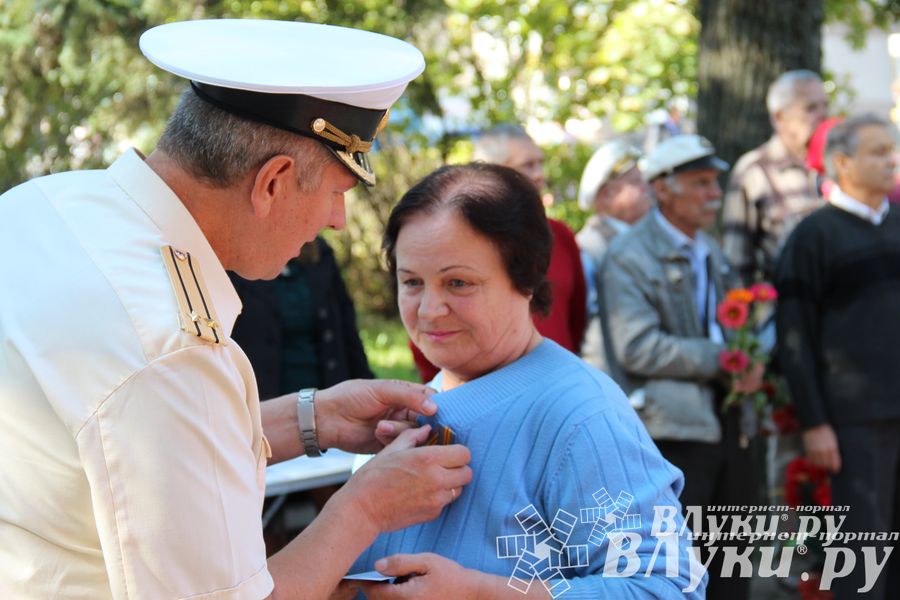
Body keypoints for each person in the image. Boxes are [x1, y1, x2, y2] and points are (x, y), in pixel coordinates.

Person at [0, 20, 473, 600]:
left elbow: (124, 438)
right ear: (272, 183)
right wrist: (364, 508)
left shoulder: (46, 204)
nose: (337, 221)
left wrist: (312, 420)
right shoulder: (169, 349)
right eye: (335, 192)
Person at [348, 162, 701, 599]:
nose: (429, 309)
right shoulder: (408, 408)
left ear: (528, 277)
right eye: (412, 282)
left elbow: (664, 587)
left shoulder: (583, 416)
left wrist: (481, 593)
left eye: (459, 283)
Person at [600, 134, 764, 600]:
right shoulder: (629, 254)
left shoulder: (711, 249)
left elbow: (732, 326)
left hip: (731, 420)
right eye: (700, 183)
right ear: (662, 189)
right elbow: (637, 347)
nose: (714, 194)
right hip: (673, 432)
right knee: (683, 566)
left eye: (715, 183)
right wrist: (723, 360)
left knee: (735, 557)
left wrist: (749, 361)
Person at [775, 114, 900, 600]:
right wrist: (815, 423)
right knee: (863, 560)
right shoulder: (813, 236)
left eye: (892, 150)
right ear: (842, 162)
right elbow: (793, 339)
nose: (892, 160)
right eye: (879, 151)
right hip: (854, 425)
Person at [408, 124, 586, 382]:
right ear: (493, 176)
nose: (539, 175)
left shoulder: (562, 235)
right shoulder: (456, 242)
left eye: (540, 163)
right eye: (527, 166)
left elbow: (577, 317)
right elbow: (429, 323)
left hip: (558, 384)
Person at [230, 236, 374, 400]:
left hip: (327, 396)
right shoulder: (237, 259)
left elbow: (348, 331)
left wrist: (366, 385)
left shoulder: (321, 254)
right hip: (266, 403)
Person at [722, 69, 828, 285]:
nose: (822, 115)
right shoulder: (754, 171)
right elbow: (737, 259)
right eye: (811, 108)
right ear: (780, 117)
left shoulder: (839, 165)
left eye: (825, 105)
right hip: (788, 305)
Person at [575, 139, 651, 372]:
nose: (646, 187)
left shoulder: (640, 239)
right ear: (607, 195)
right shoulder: (589, 247)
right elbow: (588, 331)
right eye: (636, 182)